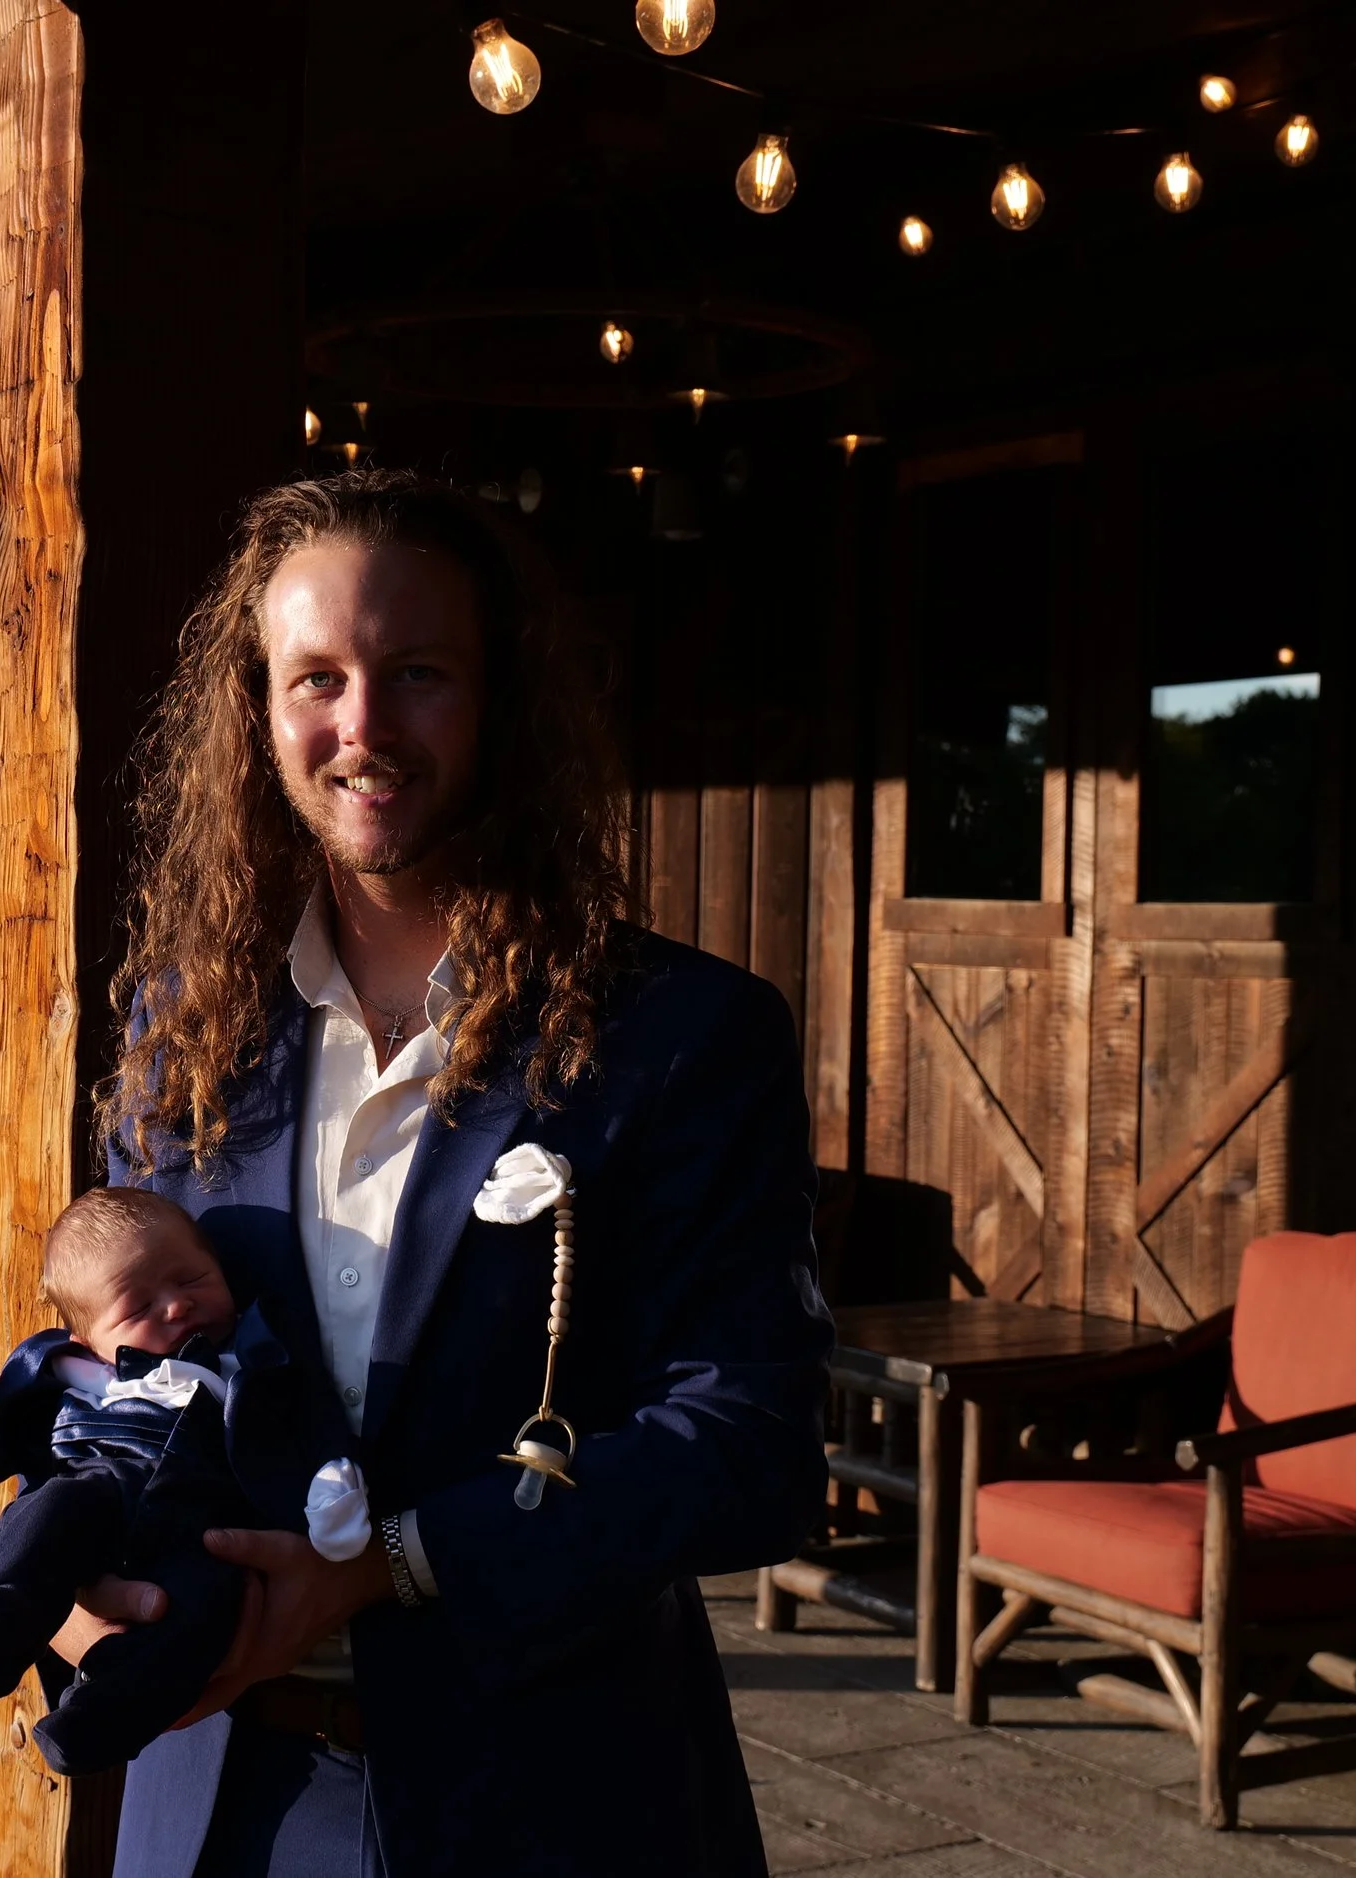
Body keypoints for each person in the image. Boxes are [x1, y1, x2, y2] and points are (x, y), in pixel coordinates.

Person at [62, 468, 833, 1878]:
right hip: (220, 1795)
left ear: (501, 697)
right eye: (316, 679)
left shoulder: (680, 1035)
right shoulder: (183, 1025)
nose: (362, 727)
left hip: (554, 1801)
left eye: (414, 672)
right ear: (257, 712)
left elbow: (754, 1441)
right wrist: (77, 1569)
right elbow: (107, 1347)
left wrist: (397, 1559)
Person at [0, 1187, 367, 1776]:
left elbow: (311, 1426)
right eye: (138, 1307)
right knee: (48, 1513)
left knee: (206, 1614)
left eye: (192, 1279)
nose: (176, 1307)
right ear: (88, 1339)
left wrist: (331, 1483)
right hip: (99, 1496)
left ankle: (101, 1718)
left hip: (203, 1536)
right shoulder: (79, 1377)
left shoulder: (254, 1366)